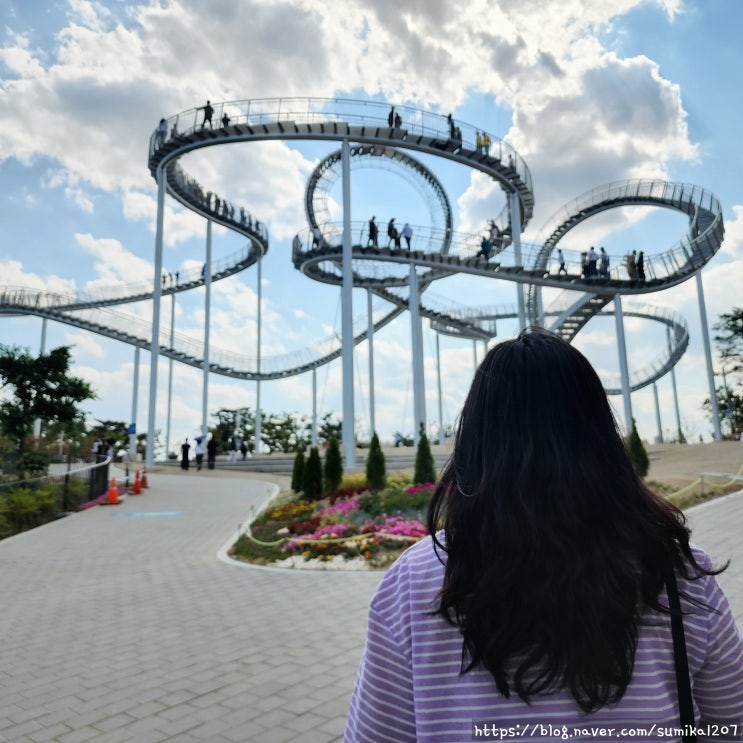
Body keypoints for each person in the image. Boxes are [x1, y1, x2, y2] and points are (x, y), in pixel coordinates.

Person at [345, 328, 743, 742]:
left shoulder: (415, 581)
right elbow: (731, 726)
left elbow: (375, 736)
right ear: (601, 438)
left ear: (477, 441)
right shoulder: (677, 571)